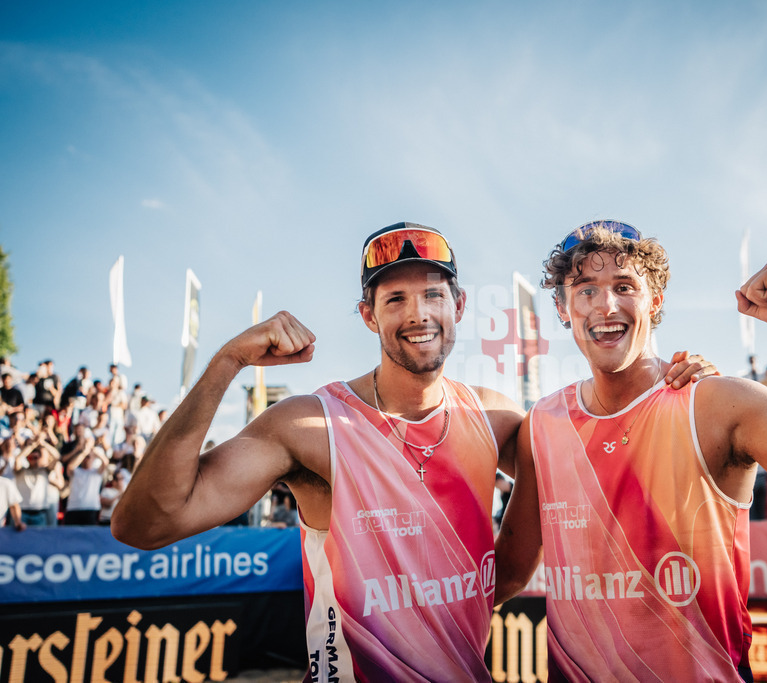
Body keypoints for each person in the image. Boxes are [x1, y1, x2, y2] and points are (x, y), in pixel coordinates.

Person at [110, 220, 719, 681]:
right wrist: (227, 362)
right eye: (394, 299)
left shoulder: (495, 418)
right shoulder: (309, 425)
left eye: (432, 294)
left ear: (458, 306)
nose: (417, 314)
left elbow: (607, 456)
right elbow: (145, 523)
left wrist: (675, 388)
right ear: (367, 316)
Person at [494, 220, 767, 682]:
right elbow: (509, 572)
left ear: (655, 300)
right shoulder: (544, 423)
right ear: (563, 307)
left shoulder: (717, 404)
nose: (606, 305)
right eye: (586, 289)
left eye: (624, 286)